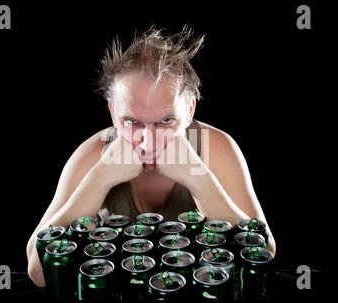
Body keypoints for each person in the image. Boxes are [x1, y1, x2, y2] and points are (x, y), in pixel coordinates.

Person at [26, 25, 276, 287]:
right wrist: (98, 180)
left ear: (189, 111)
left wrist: (200, 180)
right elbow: (37, 271)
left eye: (166, 121)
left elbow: (265, 257)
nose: (148, 142)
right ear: (113, 113)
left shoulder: (217, 149)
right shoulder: (91, 155)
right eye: (132, 122)